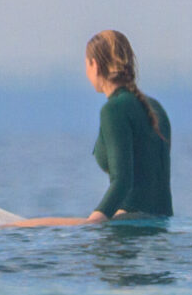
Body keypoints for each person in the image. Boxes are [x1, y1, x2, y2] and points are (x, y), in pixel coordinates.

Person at [9, 29, 173, 227]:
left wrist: (93, 222)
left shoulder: (114, 110)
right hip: (163, 227)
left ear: (94, 65)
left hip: (130, 228)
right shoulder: (155, 108)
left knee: (20, 227)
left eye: (86, 64)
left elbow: (122, 181)